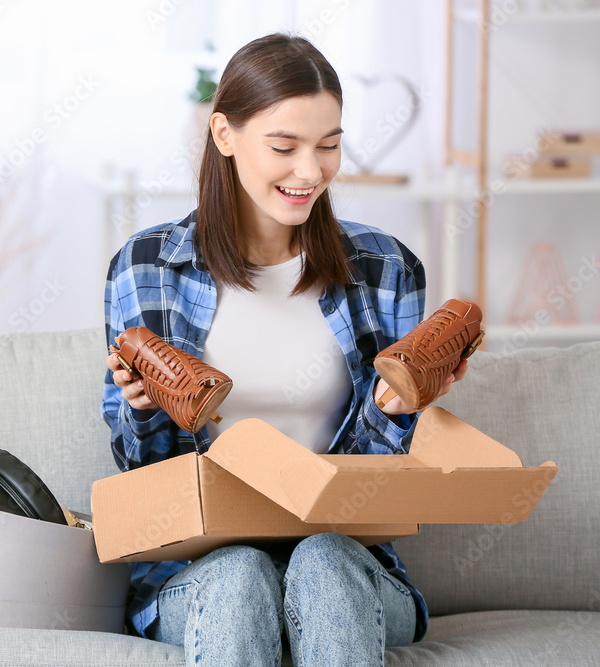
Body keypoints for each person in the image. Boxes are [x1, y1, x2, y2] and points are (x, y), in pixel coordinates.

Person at [101, 33, 468, 666]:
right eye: (284, 146)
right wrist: (142, 410)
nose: (310, 171)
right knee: (242, 572)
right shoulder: (146, 268)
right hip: (201, 570)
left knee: (322, 559)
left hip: (352, 565)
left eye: (329, 146)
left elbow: (387, 484)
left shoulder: (386, 268)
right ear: (224, 135)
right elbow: (145, 480)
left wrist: (399, 406)